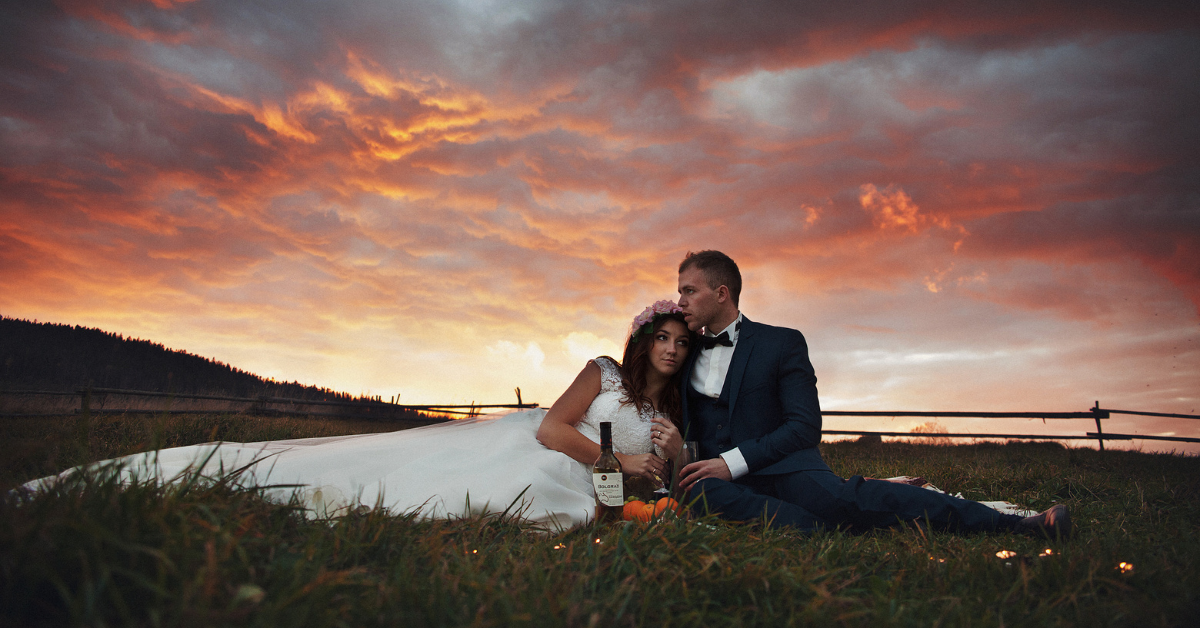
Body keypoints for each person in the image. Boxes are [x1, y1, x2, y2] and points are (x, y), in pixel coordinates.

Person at [25, 301, 696, 530]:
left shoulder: (669, 405)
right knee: (425, 485)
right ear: (642, 341)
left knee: (551, 511)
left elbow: (659, 470)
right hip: (539, 452)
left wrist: (666, 449)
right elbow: (553, 428)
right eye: (660, 338)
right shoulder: (602, 371)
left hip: (597, 487)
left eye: (679, 342)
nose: (669, 350)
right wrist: (626, 459)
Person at [674, 250, 1072, 538]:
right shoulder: (681, 353)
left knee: (850, 501)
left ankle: (1019, 525)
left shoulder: (782, 343)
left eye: (689, 291)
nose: (681, 301)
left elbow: (805, 427)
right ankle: (819, 529)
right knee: (698, 494)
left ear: (722, 293)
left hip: (787, 469)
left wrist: (733, 461)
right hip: (720, 487)